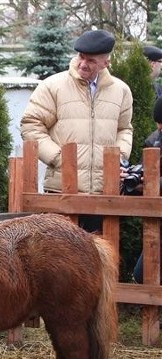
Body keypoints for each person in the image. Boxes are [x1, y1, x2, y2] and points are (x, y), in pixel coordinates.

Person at [20, 29, 133, 233]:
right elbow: (31, 125)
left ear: (105, 62)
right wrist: (59, 157)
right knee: (57, 260)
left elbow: (124, 129)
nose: (83, 64)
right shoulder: (53, 86)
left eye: (91, 60)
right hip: (60, 191)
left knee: (99, 259)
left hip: (103, 193)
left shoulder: (121, 90)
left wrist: (119, 157)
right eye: (81, 56)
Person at [129, 97, 162, 283]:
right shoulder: (154, 141)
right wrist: (134, 181)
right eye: (158, 123)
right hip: (157, 220)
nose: (159, 128)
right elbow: (144, 172)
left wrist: (154, 182)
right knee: (142, 275)